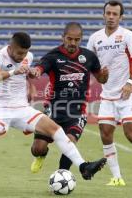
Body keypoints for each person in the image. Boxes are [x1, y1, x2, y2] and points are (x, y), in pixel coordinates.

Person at [0, 32, 106, 192]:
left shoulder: (28, 56)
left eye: (25, 53)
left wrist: (32, 76)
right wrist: (13, 71)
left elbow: (27, 75)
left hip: (22, 108)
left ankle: (84, 167)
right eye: (19, 53)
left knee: (56, 130)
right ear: (10, 48)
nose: (22, 57)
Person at [87, 0, 132, 186]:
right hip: (107, 95)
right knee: (105, 133)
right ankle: (117, 177)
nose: (111, 17)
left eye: (115, 14)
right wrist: (97, 75)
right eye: (108, 13)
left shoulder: (127, 35)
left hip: (127, 94)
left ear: (121, 17)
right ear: (103, 14)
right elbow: (89, 64)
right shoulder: (95, 38)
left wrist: (129, 82)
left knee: (130, 134)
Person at [29, 22, 109, 173]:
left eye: (77, 39)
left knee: (69, 143)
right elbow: (40, 68)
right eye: (69, 39)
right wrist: (36, 71)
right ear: (63, 37)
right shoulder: (53, 56)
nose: (73, 43)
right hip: (53, 110)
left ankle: (61, 175)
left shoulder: (89, 57)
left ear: (81, 39)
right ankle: (41, 155)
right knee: (37, 148)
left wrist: (105, 76)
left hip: (77, 112)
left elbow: (101, 79)